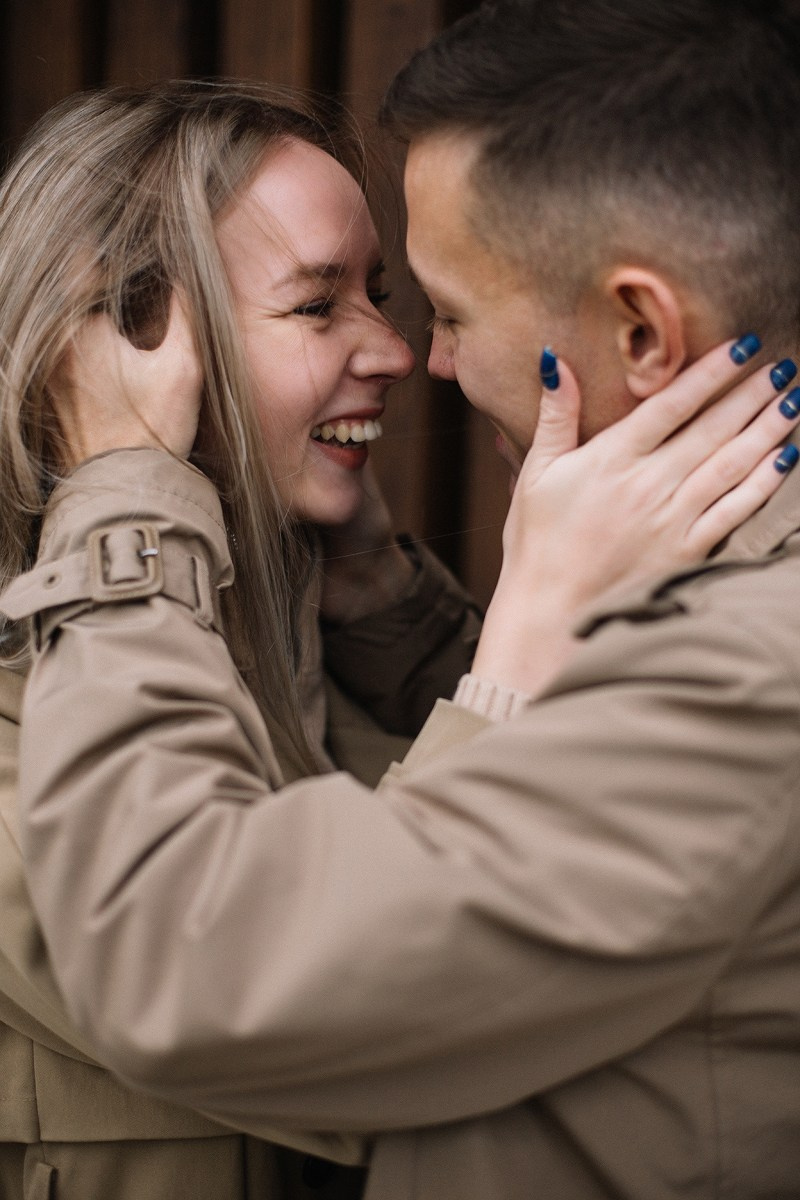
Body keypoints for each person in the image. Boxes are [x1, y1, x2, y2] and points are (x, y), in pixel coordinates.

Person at [5, 7, 800, 1190]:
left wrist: (437, 625)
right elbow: (254, 980)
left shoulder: (725, 663)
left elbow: (411, 918)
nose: (400, 353)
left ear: (642, 326)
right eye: (320, 304)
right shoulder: (75, 680)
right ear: (121, 343)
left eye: (413, 298)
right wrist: (492, 650)